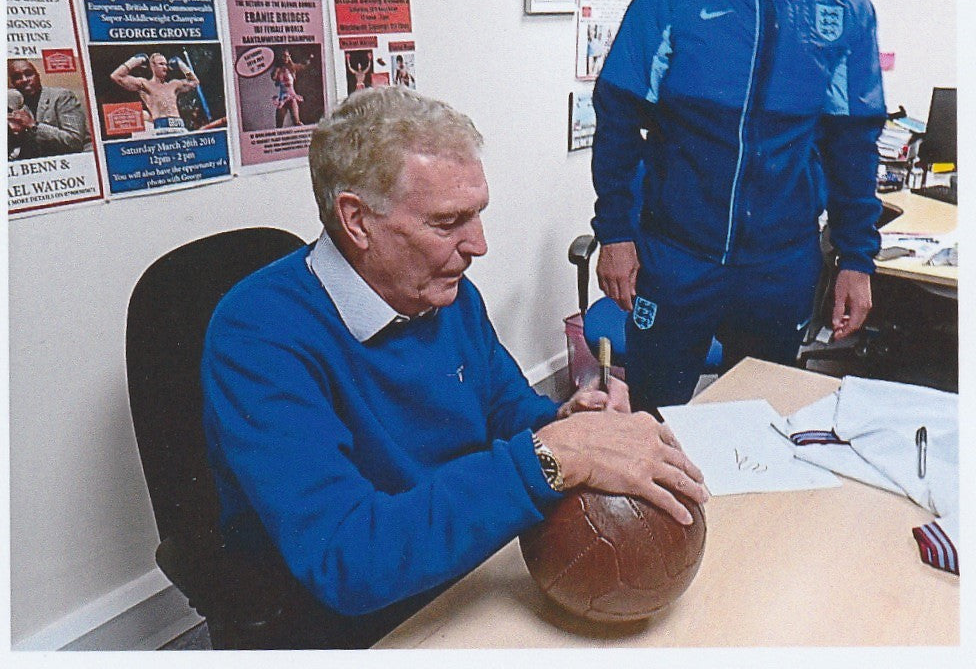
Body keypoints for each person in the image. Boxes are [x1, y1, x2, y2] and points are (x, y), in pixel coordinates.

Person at [201, 87, 708, 648]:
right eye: (449, 223)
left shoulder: (444, 293)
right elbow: (346, 559)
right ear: (357, 221)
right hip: (367, 613)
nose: (480, 245)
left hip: (463, 561)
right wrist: (552, 457)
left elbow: (505, 407)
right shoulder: (259, 335)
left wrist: (567, 416)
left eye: (477, 215)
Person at [591, 0, 886, 409]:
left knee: (758, 420)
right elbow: (617, 121)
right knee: (653, 418)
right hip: (676, 257)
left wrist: (856, 259)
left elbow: (854, 148)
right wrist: (615, 233)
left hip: (781, 266)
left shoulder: (847, 9)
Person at [7, 59, 91, 159]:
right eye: (17, 77)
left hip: (77, 160)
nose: (24, 80)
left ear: (38, 76)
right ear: (12, 83)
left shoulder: (61, 97)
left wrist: (33, 126)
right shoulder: (15, 106)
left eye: (29, 74)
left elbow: (74, 141)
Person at [110, 51, 200, 132]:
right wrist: (134, 61)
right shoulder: (145, 84)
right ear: (153, 66)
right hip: (161, 128)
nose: (165, 67)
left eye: (166, 64)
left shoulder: (173, 84)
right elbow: (117, 76)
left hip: (180, 127)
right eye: (161, 64)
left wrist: (182, 66)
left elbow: (194, 81)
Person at [270, 48, 313, 128]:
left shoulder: (292, 68)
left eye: (286, 56)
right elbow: (273, 78)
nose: (285, 58)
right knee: (279, 125)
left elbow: (303, 66)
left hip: (292, 97)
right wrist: (277, 70)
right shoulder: (278, 70)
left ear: (289, 56)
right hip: (282, 98)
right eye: (283, 56)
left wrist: (310, 59)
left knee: (297, 122)